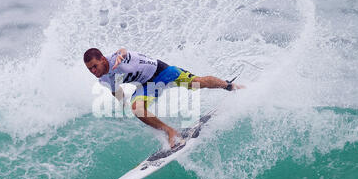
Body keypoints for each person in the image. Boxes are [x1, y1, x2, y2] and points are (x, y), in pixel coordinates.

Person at [84, 48, 245, 148]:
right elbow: (115, 91)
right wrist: (122, 104)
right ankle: (171, 131)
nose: (93, 70)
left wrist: (120, 54)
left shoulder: (116, 59)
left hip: (164, 72)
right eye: (89, 69)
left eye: (94, 66)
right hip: (147, 85)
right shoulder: (103, 79)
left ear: (103, 59)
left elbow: (123, 51)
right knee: (136, 109)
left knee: (197, 83)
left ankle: (229, 86)